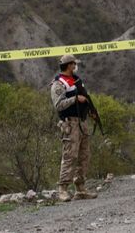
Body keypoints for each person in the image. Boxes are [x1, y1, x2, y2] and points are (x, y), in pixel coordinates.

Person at [51, 54, 97, 201]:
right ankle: (63, 189)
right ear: (69, 65)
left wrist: (91, 111)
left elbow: (85, 97)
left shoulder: (76, 80)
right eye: (73, 64)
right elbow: (59, 105)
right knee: (70, 156)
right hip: (70, 124)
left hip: (82, 122)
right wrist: (75, 99)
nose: (75, 66)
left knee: (84, 155)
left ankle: (80, 188)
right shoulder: (58, 83)